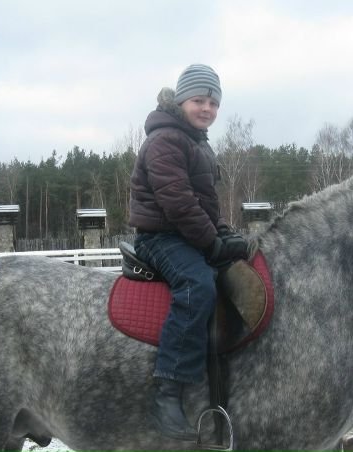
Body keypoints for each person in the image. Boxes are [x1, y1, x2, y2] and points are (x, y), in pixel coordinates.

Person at [129, 63, 248, 441]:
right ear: (181, 101)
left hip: (186, 234)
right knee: (198, 286)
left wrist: (225, 234)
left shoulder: (197, 142)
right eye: (199, 100)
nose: (206, 109)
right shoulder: (165, 140)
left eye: (213, 103)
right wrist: (211, 243)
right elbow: (178, 203)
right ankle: (169, 387)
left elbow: (204, 204)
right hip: (161, 237)